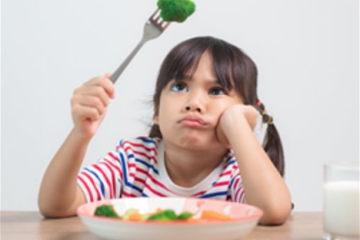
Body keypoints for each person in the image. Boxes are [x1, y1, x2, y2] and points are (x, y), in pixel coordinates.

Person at [38, 36, 292, 225]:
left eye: (216, 91)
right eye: (180, 86)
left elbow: (273, 211)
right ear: (157, 111)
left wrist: (238, 126)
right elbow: (56, 206)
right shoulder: (132, 160)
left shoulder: (237, 171)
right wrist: (80, 135)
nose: (194, 103)